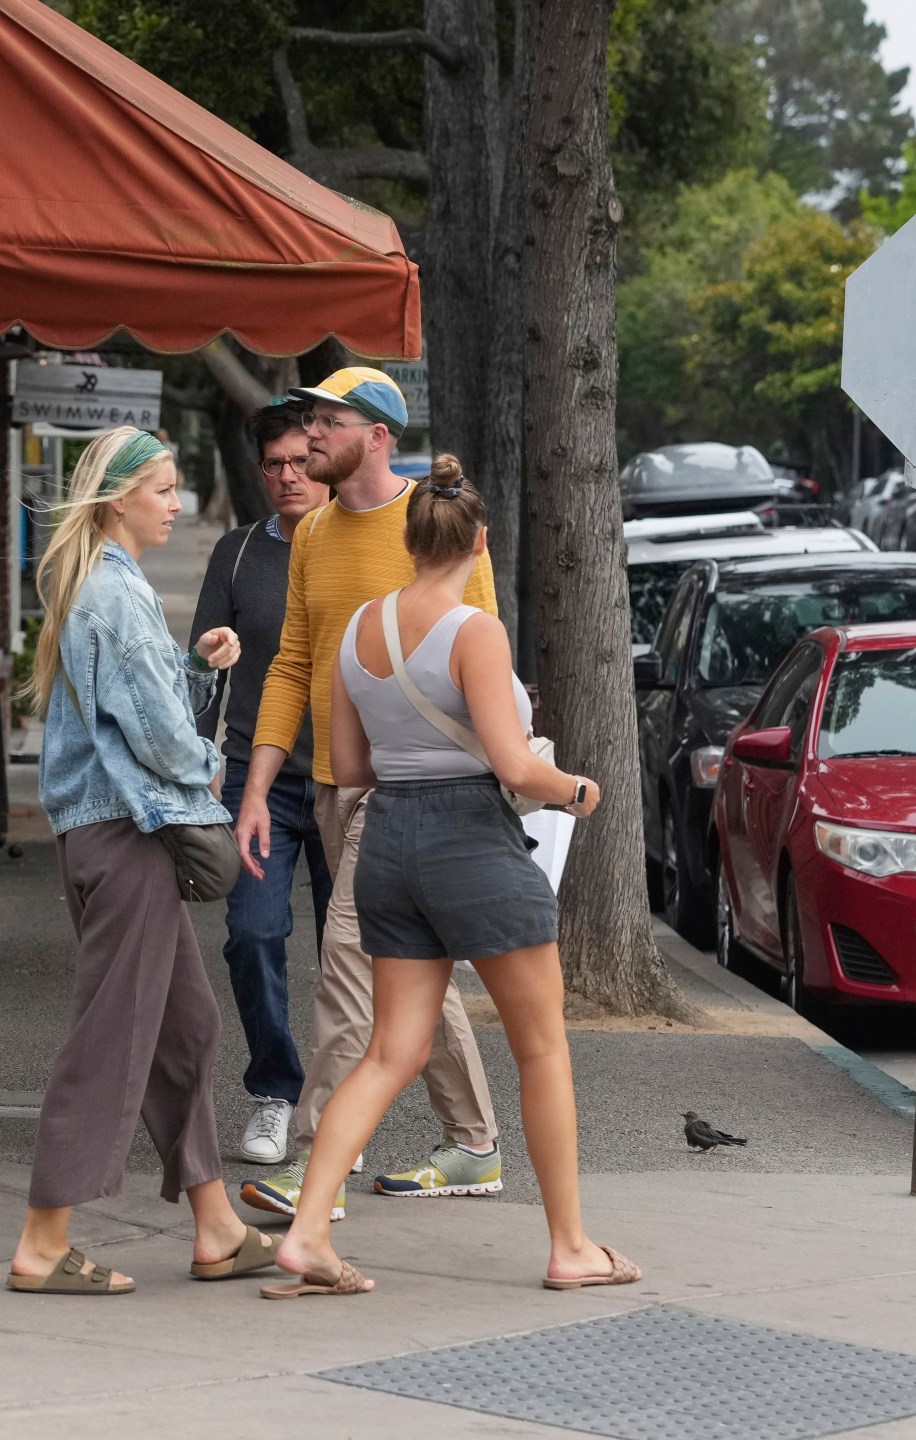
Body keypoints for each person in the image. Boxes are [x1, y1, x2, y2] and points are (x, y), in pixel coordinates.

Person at [263, 462, 635, 1299]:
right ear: (478, 542)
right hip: (471, 840)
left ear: (405, 539)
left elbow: (350, 763)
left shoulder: (361, 627)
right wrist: (576, 791)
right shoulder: (475, 631)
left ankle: (309, 1231)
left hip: (387, 837)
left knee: (392, 1049)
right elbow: (511, 764)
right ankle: (569, 1245)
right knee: (541, 1046)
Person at [6, 426, 273, 1296]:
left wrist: (194, 669)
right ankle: (44, 1241)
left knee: (183, 1031)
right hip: (126, 838)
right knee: (112, 1040)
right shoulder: (115, 594)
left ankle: (217, 1226)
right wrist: (212, 768)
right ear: (120, 498)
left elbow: (132, 714)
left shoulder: (104, 587)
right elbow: (161, 741)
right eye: (162, 488)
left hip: (109, 834)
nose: (176, 503)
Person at [235, 368, 504, 1225]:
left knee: (347, 977)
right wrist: (255, 791)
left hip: (412, 796)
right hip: (330, 790)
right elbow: (292, 663)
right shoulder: (312, 532)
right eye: (308, 419)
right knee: (411, 977)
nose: (309, 434)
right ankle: (474, 1146)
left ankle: (317, 1165)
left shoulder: (436, 522)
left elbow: (481, 647)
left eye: (327, 420)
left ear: (379, 434)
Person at [192, 400, 333, 1166]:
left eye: (301, 461)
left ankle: (345, 1096)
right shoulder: (238, 556)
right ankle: (275, 1093)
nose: (288, 476)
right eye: (274, 464)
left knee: (370, 953)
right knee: (252, 934)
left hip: (350, 775)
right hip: (258, 777)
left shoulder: (361, 545)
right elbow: (203, 673)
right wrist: (200, 763)